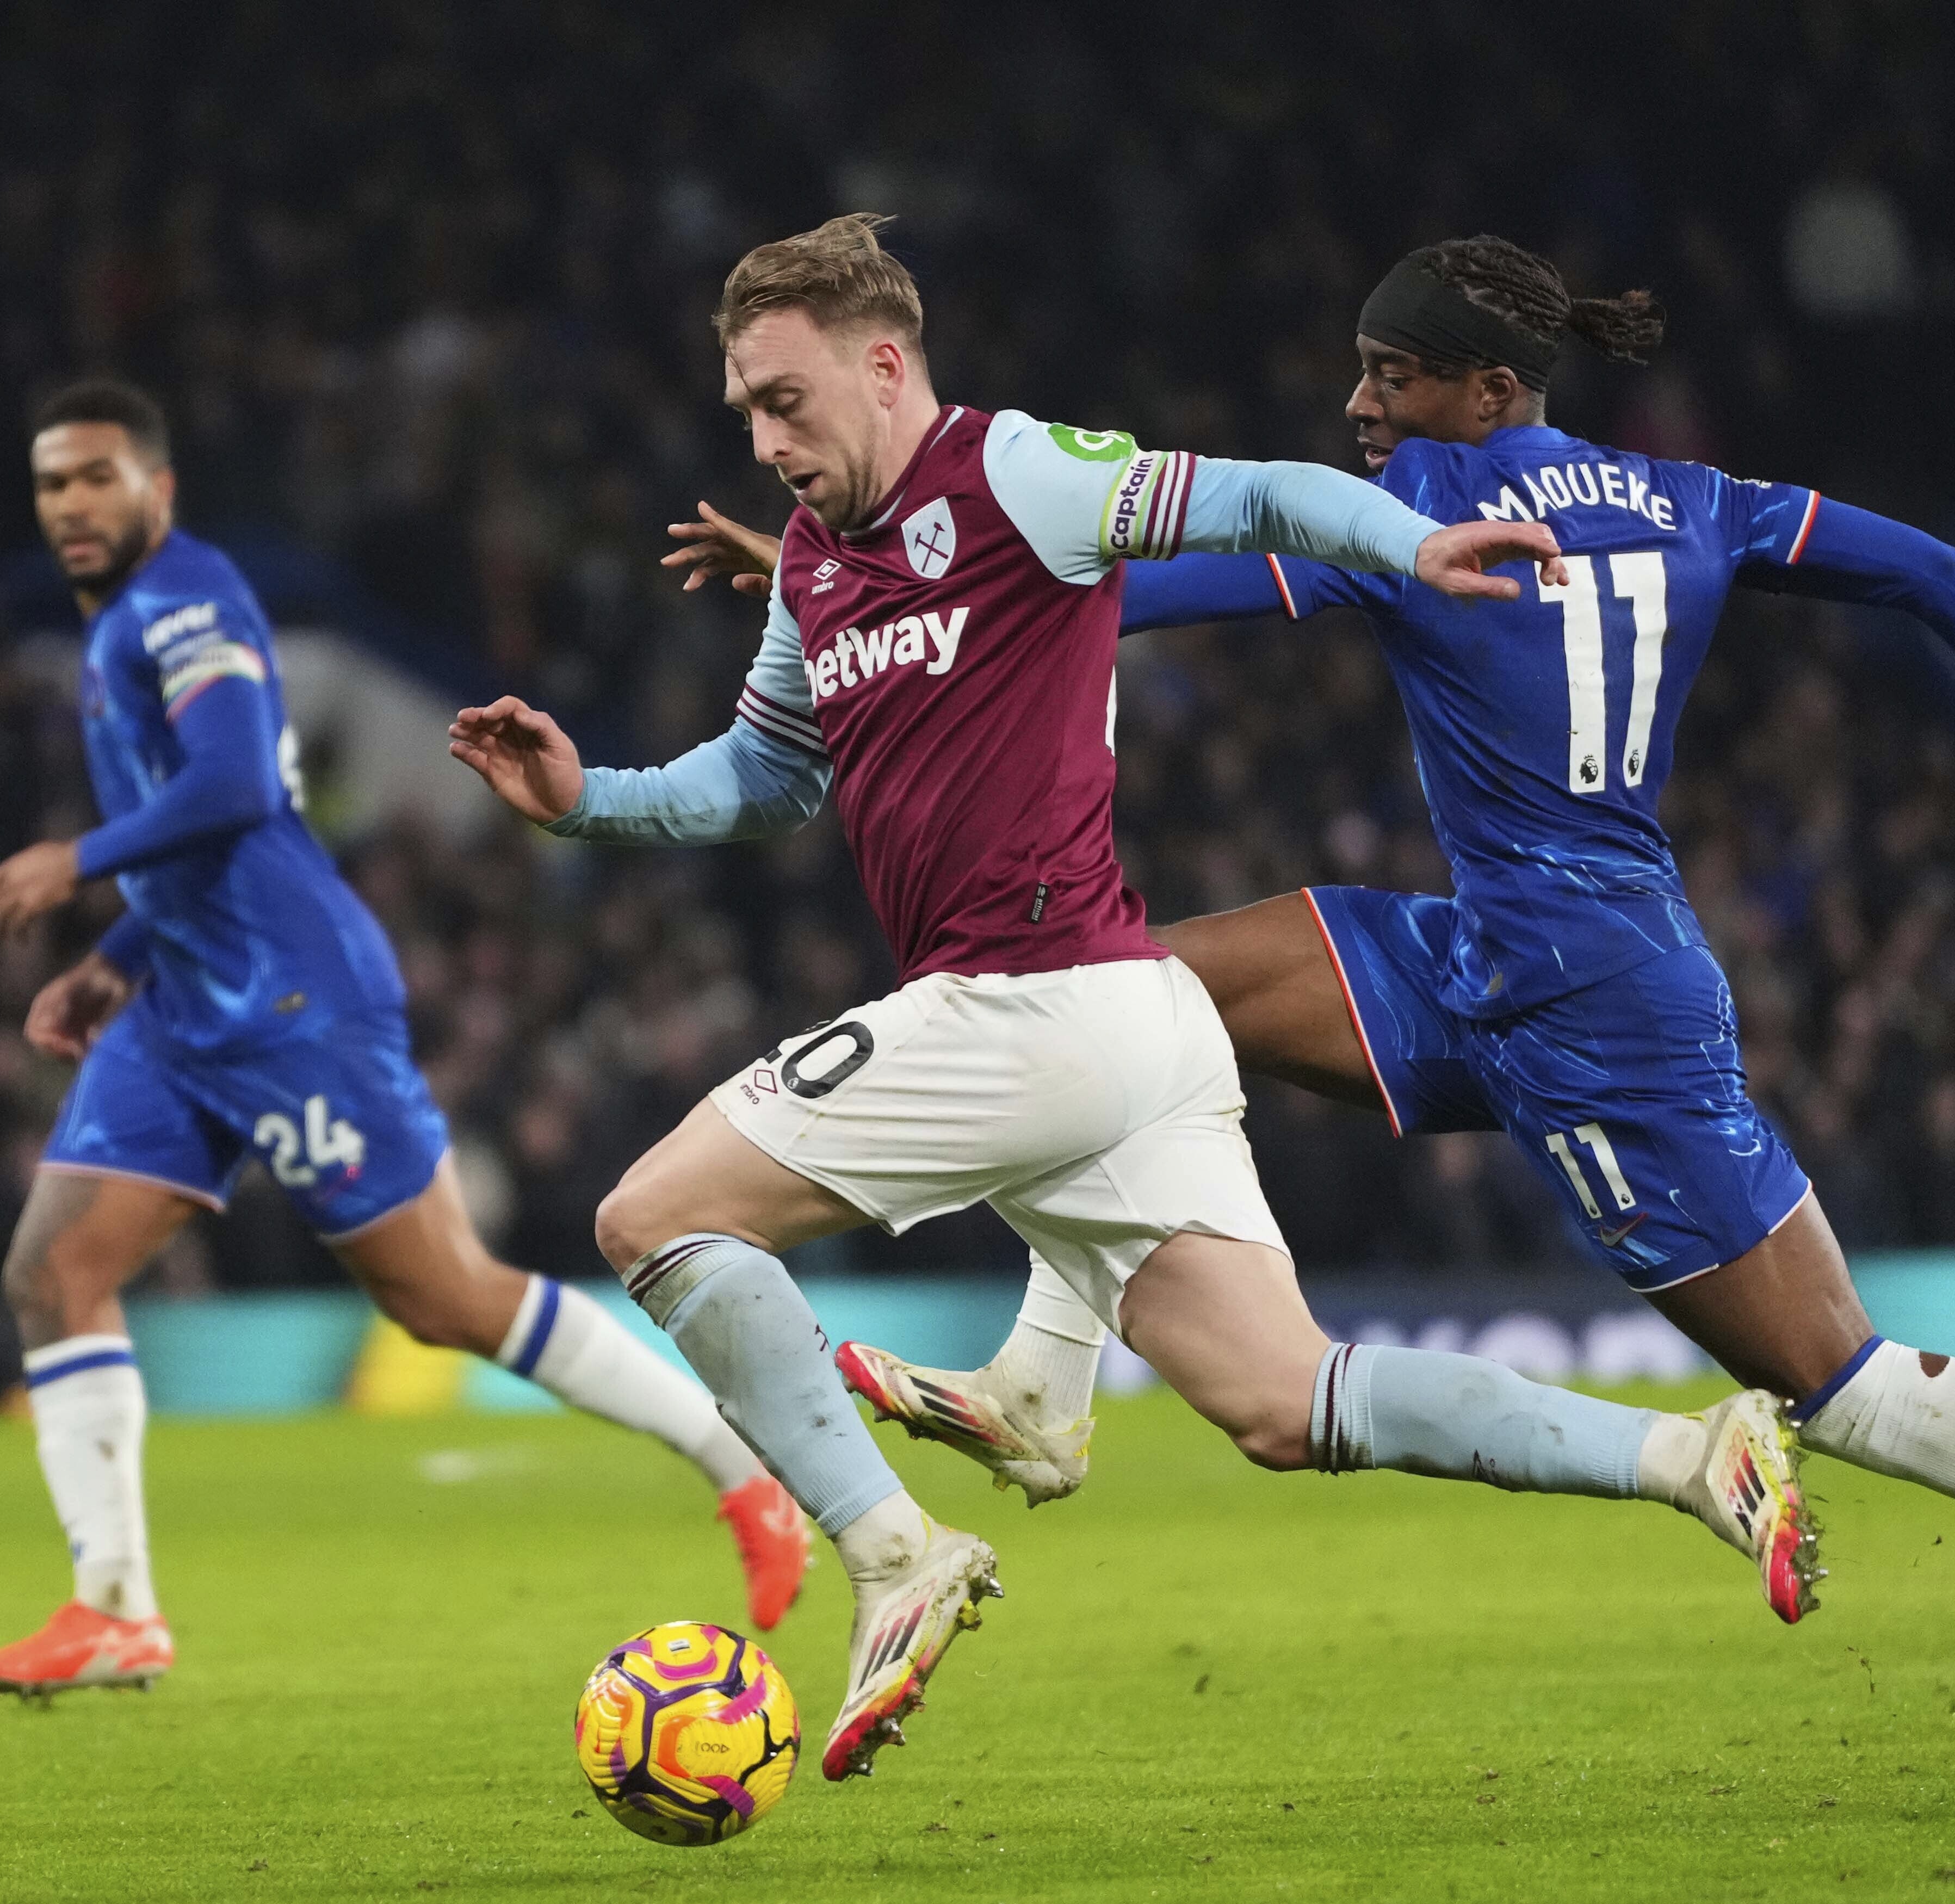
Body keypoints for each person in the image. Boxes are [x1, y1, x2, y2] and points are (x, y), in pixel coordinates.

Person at [805, 236, 1955, 1759]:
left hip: (1593, 1007)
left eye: (1391, 378)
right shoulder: (1698, 501)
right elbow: (1937, 572)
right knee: (1116, 994)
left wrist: (892, 602)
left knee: (1838, 1381)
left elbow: (1145, 594)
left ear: (1487, 389)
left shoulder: (1417, 505)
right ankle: (1045, 1379)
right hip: (1497, 947)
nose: (1359, 409)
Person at [451, 215, 1823, 1786]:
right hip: (1132, 1028)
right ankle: (1685, 1451)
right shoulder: (820, 569)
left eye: (784, 399)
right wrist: (586, 798)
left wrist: (1413, 546)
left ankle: (895, 1550)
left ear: (883, 362)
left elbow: (1256, 496)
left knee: (653, 1215)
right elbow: (762, 778)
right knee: (1285, 1395)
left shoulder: (1019, 471)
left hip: (1031, 1001)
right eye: (745, 414)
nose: (764, 442)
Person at [0, 384, 811, 1701]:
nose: (71, 504)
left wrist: (79, 862)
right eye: (51, 484)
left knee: (442, 1296)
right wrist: (113, 958)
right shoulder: (122, 623)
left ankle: (742, 1468)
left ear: (158, 489)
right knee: (52, 1267)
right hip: (183, 1003)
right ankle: (113, 1609)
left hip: (298, 1005)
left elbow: (239, 783)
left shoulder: (186, 603)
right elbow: (245, 818)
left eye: (96, 478)